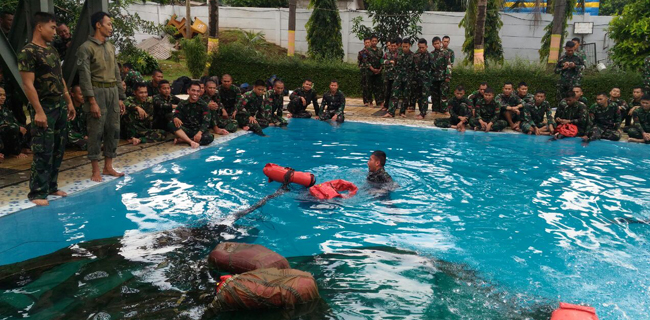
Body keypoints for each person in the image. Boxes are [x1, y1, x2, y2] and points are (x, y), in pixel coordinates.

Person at [18, 12, 76, 206]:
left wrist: (68, 100)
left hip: (59, 103)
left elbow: (59, 77)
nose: (55, 32)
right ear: (39, 27)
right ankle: (37, 192)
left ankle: (51, 186)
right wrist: (39, 111)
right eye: (52, 28)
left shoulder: (51, 50)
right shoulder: (28, 52)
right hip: (44, 107)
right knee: (43, 149)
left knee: (58, 148)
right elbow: (28, 85)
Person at [77, 11, 126, 182]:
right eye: (109, 24)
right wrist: (91, 101)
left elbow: (117, 73)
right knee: (96, 131)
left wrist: (120, 96)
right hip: (97, 92)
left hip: (112, 91)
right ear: (98, 25)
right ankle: (96, 169)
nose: (111, 28)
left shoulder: (110, 47)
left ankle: (108, 166)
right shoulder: (85, 48)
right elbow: (84, 76)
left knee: (114, 129)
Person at [169, 81, 214, 148]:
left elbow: (206, 122)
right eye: (193, 90)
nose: (195, 93)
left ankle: (183, 140)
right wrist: (175, 118)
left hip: (199, 130)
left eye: (198, 91)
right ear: (188, 91)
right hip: (186, 129)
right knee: (171, 123)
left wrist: (199, 133)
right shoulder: (182, 104)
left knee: (209, 138)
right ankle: (190, 141)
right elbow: (176, 115)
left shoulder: (203, 105)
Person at [384, 38, 414, 118]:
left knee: (405, 96)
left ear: (409, 46)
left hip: (407, 78)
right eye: (403, 46)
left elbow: (414, 68)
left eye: (406, 46)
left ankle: (402, 112)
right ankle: (391, 112)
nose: (404, 48)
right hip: (398, 77)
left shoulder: (412, 55)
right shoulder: (398, 53)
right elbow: (394, 63)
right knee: (394, 94)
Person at [0, 87, 30, 160]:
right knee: (13, 128)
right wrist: (17, 127)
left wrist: (21, 127)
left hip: (14, 137)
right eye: (0, 95)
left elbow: (15, 122)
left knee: (32, 126)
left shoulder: (6, 110)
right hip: (3, 142)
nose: (3, 97)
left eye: (4, 95)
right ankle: (14, 152)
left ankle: (23, 147)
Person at [430, 36, 452, 113]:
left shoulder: (445, 53)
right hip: (434, 78)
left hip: (443, 77)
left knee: (443, 95)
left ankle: (444, 110)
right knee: (434, 95)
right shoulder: (431, 54)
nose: (437, 45)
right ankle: (435, 110)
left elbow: (448, 65)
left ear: (440, 43)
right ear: (433, 44)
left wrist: (448, 76)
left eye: (438, 43)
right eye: (435, 44)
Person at [413, 38, 433, 119]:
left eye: (423, 47)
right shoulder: (416, 56)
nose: (421, 49)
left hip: (426, 80)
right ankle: (421, 111)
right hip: (418, 79)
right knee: (419, 97)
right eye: (420, 47)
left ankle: (423, 113)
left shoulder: (429, 56)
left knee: (424, 96)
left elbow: (433, 68)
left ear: (426, 47)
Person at [362, 35, 384, 108]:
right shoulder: (366, 51)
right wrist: (372, 69)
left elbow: (382, 60)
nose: (374, 42)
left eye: (375, 41)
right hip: (370, 72)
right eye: (373, 41)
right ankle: (370, 101)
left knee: (379, 87)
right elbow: (366, 61)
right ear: (371, 41)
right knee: (369, 87)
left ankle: (379, 101)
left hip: (378, 72)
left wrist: (380, 68)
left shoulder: (380, 50)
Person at [67, 85, 88, 150]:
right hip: (72, 137)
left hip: (83, 136)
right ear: (73, 94)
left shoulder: (84, 108)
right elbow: (68, 130)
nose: (83, 97)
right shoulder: (68, 110)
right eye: (81, 94)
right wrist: (83, 137)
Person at [381, 38, 399, 111]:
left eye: (394, 46)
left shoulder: (399, 54)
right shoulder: (387, 54)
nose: (393, 47)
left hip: (396, 76)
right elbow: (382, 61)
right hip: (388, 76)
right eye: (392, 46)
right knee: (387, 91)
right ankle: (386, 105)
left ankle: (394, 106)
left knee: (394, 93)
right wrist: (389, 62)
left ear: (397, 46)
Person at [358, 37, 371, 107]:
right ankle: (366, 101)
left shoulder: (373, 52)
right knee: (364, 86)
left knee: (371, 86)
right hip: (364, 71)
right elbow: (359, 62)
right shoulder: (361, 52)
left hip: (371, 71)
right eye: (366, 43)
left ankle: (371, 100)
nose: (367, 44)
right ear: (364, 43)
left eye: (369, 42)